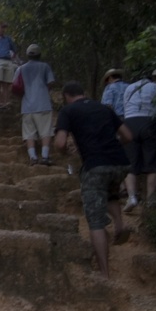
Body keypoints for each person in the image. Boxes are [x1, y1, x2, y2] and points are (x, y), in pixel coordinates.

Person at [54, 81, 132, 279]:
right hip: (120, 163)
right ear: (84, 93)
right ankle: (120, 224)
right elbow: (128, 136)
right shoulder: (103, 108)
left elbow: (60, 142)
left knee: (96, 223)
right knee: (110, 192)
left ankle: (104, 275)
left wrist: (64, 152)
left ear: (66, 96)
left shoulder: (68, 111)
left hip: (95, 165)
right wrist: (113, 146)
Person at [122, 69, 156, 211]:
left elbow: (125, 108)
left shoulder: (129, 88)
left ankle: (132, 197)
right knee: (152, 163)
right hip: (149, 122)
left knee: (130, 164)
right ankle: (150, 199)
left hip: (130, 123)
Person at [13, 44, 55, 166]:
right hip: (43, 104)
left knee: (29, 133)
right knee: (45, 131)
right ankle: (45, 156)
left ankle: (33, 157)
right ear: (39, 55)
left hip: (27, 106)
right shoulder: (45, 67)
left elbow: (15, 86)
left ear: (27, 55)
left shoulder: (20, 69)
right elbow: (50, 82)